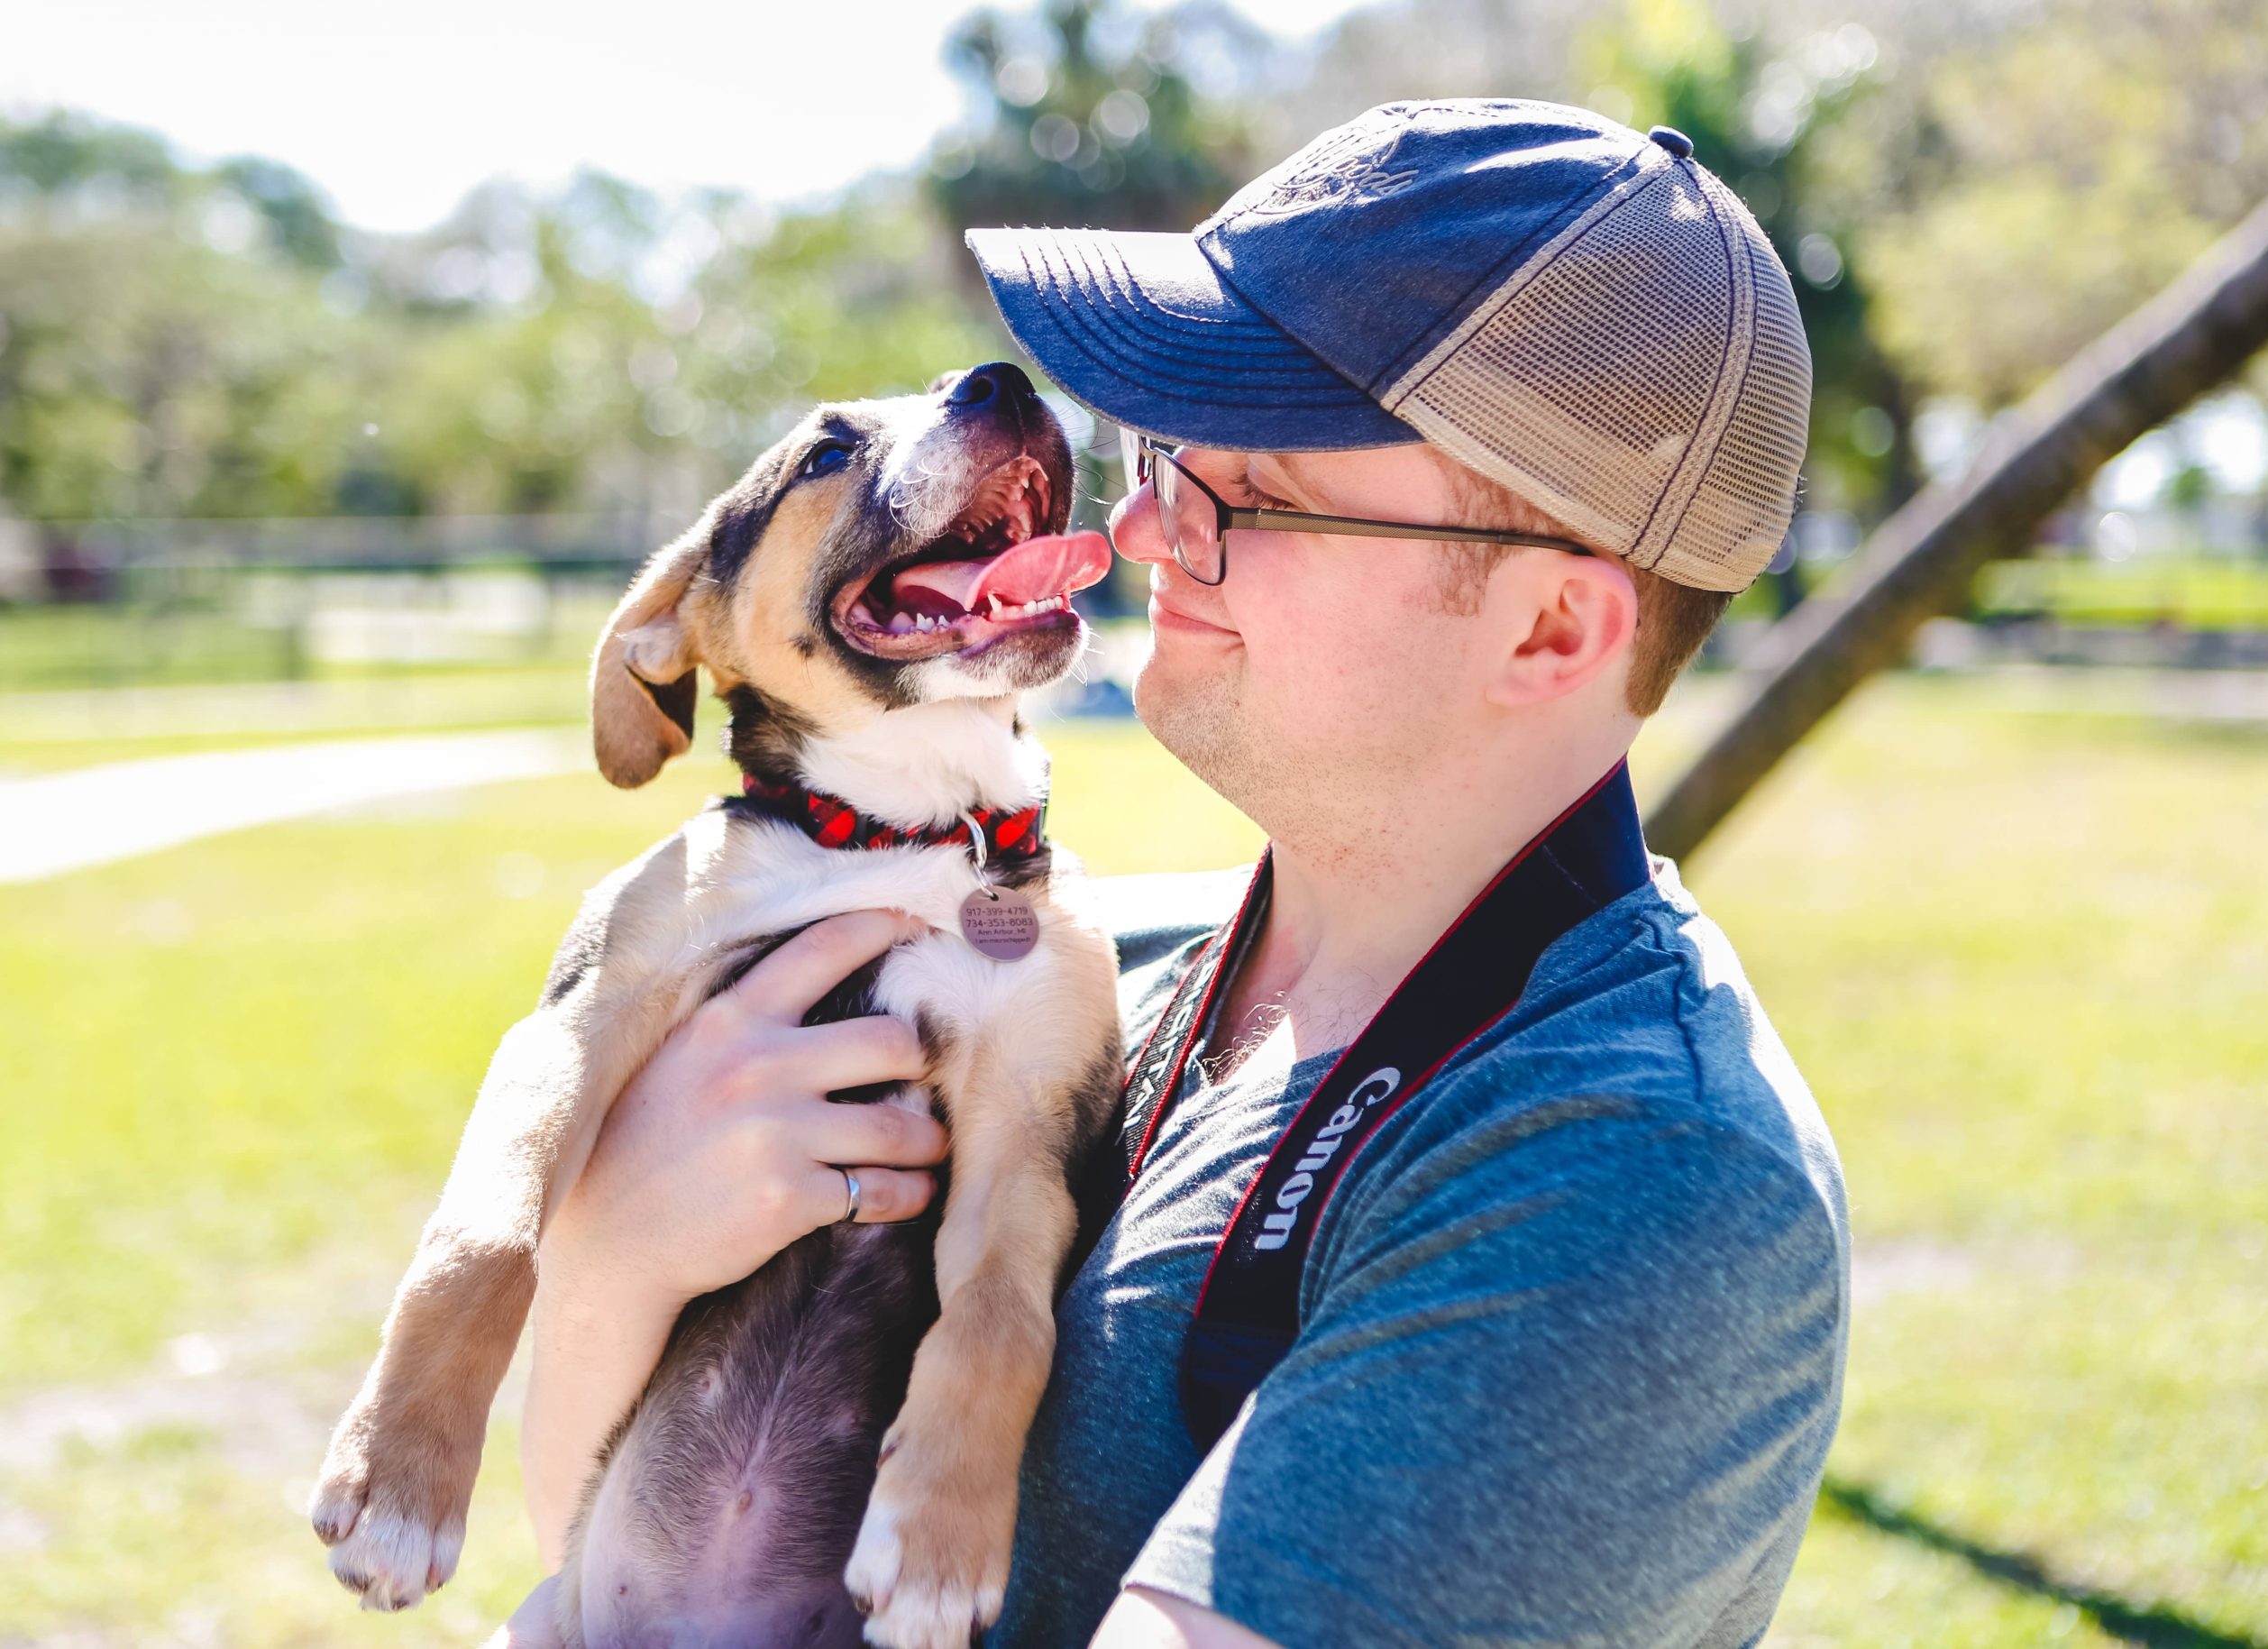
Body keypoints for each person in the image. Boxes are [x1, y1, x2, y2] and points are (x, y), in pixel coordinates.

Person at [514, 100, 1848, 1649]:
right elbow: (616, 1573)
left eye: (1250, 488)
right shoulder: (1082, 960)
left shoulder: (1634, 1179)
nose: (1138, 525)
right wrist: (614, 1256)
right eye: (1161, 449)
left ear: (1552, 631)